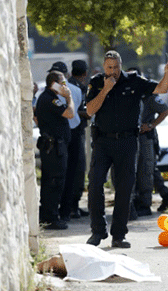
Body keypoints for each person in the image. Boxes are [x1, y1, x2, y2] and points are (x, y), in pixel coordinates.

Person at [85, 50, 168, 248]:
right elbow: (90, 110)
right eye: (109, 68)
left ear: (120, 65)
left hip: (127, 142)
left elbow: (161, 89)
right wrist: (105, 90)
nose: (113, 71)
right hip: (103, 142)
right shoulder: (97, 82)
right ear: (104, 67)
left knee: (125, 189)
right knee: (95, 184)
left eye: (116, 67)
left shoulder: (133, 80)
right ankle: (98, 231)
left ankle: (119, 235)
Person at [126, 67, 168, 217]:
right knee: (130, 172)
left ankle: (145, 204)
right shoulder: (125, 92)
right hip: (129, 137)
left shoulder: (148, 94)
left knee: (146, 171)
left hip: (144, 137)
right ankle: (131, 203)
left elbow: (165, 110)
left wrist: (151, 125)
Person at [35, 71, 75, 230]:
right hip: (53, 147)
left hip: (56, 146)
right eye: (62, 83)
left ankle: (49, 215)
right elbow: (70, 113)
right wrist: (69, 98)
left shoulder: (50, 97)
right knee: (54, 182)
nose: (65, 86)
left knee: (54, 181)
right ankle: (50, 217)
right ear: (54, 83)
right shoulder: (50, 99)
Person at [47, 62, 85, 222]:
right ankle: (68, 209)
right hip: (74, 132)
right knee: (72, 173)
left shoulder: (56, 92)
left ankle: (60, 210)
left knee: (59, 173)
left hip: (62, 134)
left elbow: (68, 112)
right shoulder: (76, 90)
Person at [67, 59, 91, 219]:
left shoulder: (70, 85)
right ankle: (71, 207)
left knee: (75, 171)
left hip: (72, 133)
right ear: (84, 73)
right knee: (76, 170)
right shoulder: (76, 88)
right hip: (74, 133)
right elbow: (79, 111)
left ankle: (73, 206)